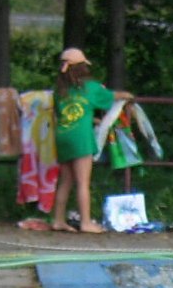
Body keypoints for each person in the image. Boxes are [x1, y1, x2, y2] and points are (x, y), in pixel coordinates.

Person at [50, 49, 131, 234]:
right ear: (82, 67)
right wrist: (125, 95)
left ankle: (58, 220)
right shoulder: (91, 87)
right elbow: (110, 97)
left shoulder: (59, 91)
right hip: (81, 139)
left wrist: (92, 119)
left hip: (63, 136)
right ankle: (86, 222)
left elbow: (67, 113)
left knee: (65, 182)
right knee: (82, 183)